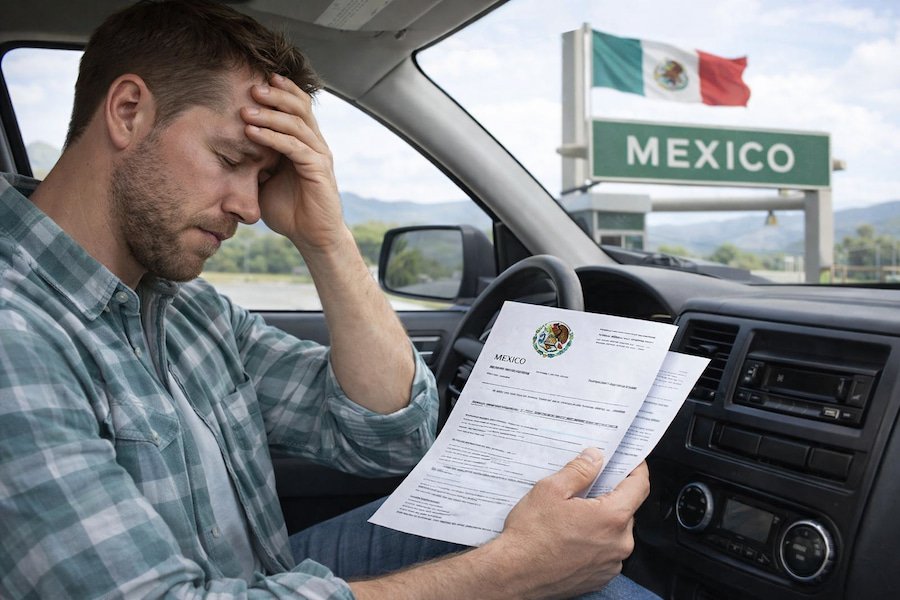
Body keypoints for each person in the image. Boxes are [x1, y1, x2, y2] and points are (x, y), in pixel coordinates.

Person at [0, 1, 656, 598]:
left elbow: (389, 440)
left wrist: (327, 239)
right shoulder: (17, 336)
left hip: (265, 575)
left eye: (266, 176)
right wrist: (512, 572)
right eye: (231, 158)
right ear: (127, 112)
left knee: (558, 546)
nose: (251, 209)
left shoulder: (186, 309)